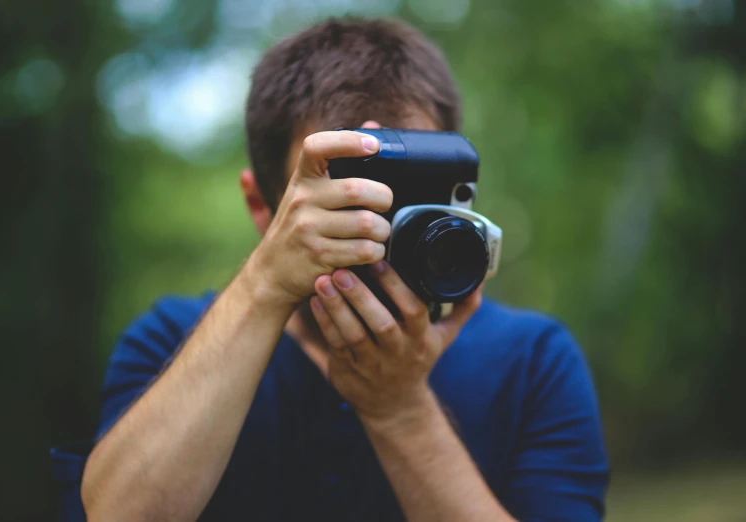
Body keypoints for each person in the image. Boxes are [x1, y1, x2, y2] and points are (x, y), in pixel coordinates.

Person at [80, 17, 609, 522]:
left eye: (414, 197)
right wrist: (265, 284)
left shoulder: (532, 361)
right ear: (263, 207)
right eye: (339, 201)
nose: (377, 234)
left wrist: (399, 411)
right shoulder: (171, 344)